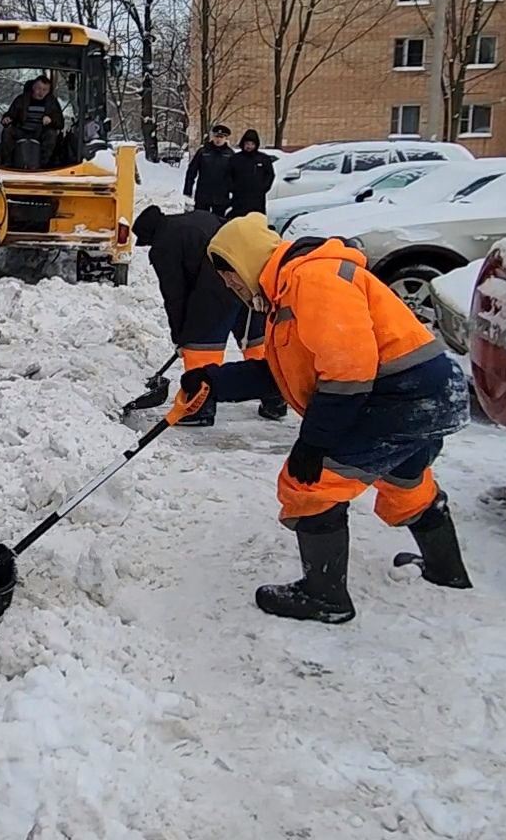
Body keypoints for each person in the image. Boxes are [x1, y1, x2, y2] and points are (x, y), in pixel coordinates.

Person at [166, 212, 472, 624]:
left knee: (309, 484)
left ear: (246, 260)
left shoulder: (313, 280)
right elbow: (284, 371)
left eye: (229, 274)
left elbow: (347, 372)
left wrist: (314, 443)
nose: (229, 285)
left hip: (403, 397)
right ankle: (446, 571)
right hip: (425, 393)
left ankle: (324, 597)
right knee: (405, 477)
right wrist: (213, 380)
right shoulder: (288, 293)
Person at [135, 206, 287, 426]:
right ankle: (276, 398)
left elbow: (174, 293)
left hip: (216, 282)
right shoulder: (195, 217)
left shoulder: (164, 243)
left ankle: (200, 408)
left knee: (201, 345)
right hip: (246, 271)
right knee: (255, 336)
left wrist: (181, 336)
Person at [0, 75, 67, 169]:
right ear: (33, 87)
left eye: (45, 90)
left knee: (51, 134)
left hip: (41, 131)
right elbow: (10, 114)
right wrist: (7, 118)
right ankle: (8, 163)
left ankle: (43, 165)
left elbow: (60, 122)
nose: (41, 92)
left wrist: (51, 120)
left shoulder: (52, 102)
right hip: (21, 130)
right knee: (8, 131)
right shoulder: (21, 100)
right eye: (39, 88)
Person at [224, 129, 277, 219]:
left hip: (257, 199)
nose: (249, 146)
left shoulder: (263, 158)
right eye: (247, 144)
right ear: (243, 144)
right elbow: (228, 175)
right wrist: (233, 188)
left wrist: (262, 188)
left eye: (252, 144)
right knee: (239, 220)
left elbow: (270, 175)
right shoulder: (236, 158)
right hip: (239, 198)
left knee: (256, 220)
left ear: (256, 145)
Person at [183, 124, 234, 216]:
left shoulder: (230, 154)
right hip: (203, 194)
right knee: (200, 219)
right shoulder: (203, 152)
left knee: (218, 221)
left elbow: (235, 175)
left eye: (221, 137)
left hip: (221, 195)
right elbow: (192, 171)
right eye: (216, 136)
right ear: (213, 137)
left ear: (225, 138)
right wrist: (188, 189)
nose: (218, 139)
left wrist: (233, 191)